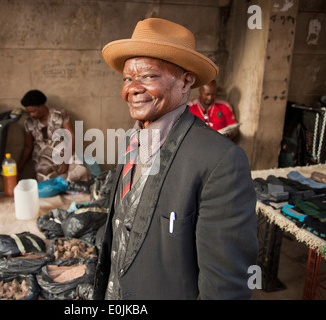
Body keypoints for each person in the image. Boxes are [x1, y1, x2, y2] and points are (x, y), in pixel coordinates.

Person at [93, 18, 258, 300]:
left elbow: (224, 288)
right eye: (127, 78)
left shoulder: (220, 161)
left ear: (185, 82)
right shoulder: (133, 140)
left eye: (148, 76)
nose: (131, 88)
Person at [18, 90, 89, 182]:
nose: (31, 115)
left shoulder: (60, 114)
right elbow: (28, 147)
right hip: (43, 157)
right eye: (29, 113)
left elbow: (71, 136)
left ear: (41, 106)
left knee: (81, 171)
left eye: (33, 111)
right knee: (47, 179)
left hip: (63, 152)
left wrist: (65, 160)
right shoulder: (28, 122)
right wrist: (19, 168)